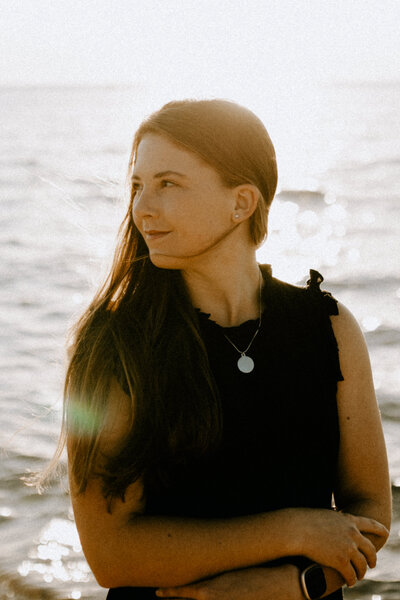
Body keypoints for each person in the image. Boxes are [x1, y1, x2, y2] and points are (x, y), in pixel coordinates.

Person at [62, 99, 391, 600]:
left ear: (242, 203)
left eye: (167, 183)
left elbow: (369, 510)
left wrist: (298, 585)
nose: (142, 208)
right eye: (137, 186)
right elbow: (110, 553)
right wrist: (292, 530)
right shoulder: (116, 343)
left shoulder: (330, 328)